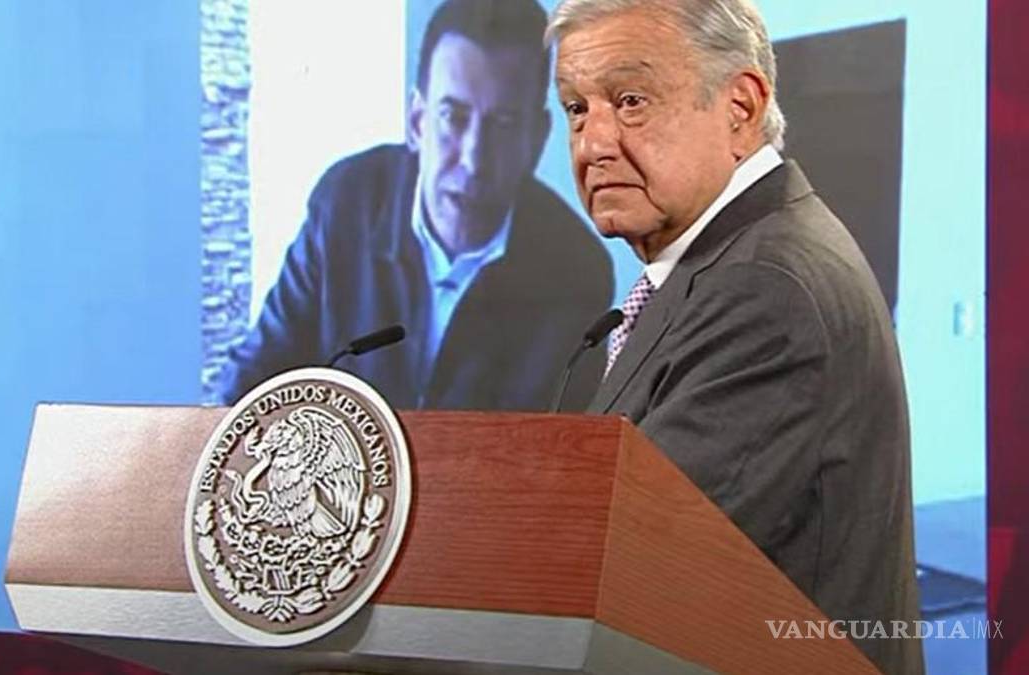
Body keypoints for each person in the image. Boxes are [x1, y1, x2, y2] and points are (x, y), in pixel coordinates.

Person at [547, 1, 922, 673]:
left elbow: (632, 568)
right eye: (577, 108)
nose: (593, 144)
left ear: (741, 109)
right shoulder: (735, 261)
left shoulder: (766, 288)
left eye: (631, 101)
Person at [222, 0, 613, 411]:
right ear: (416, 122)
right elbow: (251, 384)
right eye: (453, 117)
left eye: (503, 124)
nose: (473, 160)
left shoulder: (577, 273)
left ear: (536, 140)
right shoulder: (346, 203)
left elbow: (556, 442)